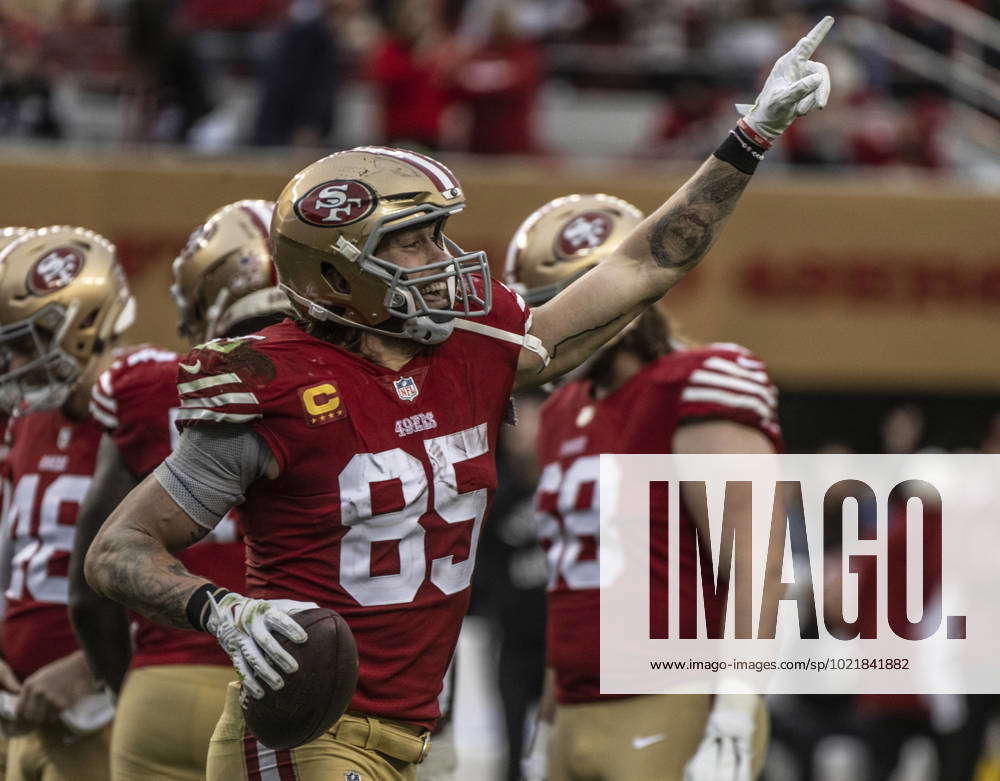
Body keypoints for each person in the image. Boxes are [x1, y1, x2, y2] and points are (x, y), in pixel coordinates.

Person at [85, 18, 834, 781]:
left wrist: (748, 137)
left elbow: (641, 265)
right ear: (336, 276)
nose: (441, 259)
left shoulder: (470, 349)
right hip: (309, 733)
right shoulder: (274, 383)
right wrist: (222, 609)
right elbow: (118, 548)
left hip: (409, 736)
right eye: (412, 242)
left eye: (438, 234)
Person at [506, 193, 781, 781]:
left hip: (672, 695)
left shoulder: (699, 380)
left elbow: (755, 562)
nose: (552, 326)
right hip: (578, 704)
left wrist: (737, 701)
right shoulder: (562, 410)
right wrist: (550, 719)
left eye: (564, 302)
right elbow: (573, 575)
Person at [67, 201, 291, 781]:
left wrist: (131, 688)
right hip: (289, 681)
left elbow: (90, 584)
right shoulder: (342, 382)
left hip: (162, 685)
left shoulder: (147, 387)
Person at [0, 225, 136, 781]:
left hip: (107, 712)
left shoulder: (152, 410)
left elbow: (203, 574)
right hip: (20, 714)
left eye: (24, 345)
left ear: (82, 326)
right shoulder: (30, 418)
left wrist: (91, 667)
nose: (12, 365)